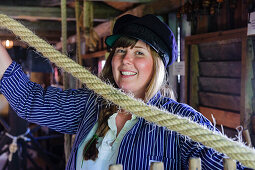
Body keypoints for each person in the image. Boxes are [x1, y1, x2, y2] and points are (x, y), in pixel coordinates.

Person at [0, 14, 244, 170]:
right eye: (120, 51)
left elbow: (230, 163)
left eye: (139, 53)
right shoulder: (90, 106)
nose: (126, 60)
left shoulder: (180, 122)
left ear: (157, 65)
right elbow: (28, 100)